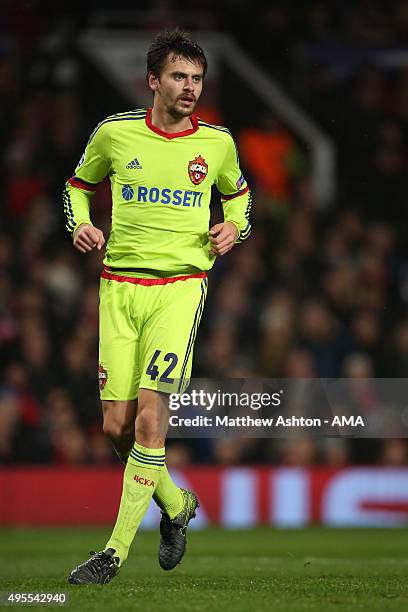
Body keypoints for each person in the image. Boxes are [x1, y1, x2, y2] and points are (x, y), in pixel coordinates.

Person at [64, 28, 252, 585]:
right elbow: (77, 185)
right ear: (153, 80)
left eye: (197, 78)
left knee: (150, 421)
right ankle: (176, 504)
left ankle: (114, 552)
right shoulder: (115, 134)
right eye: (178, 76)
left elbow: (240, 198)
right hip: (118, 290)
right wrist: (81, 223)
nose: (189, 87)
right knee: (116, 425)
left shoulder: (216, 142)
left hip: (180, 289)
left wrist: (233, 229)